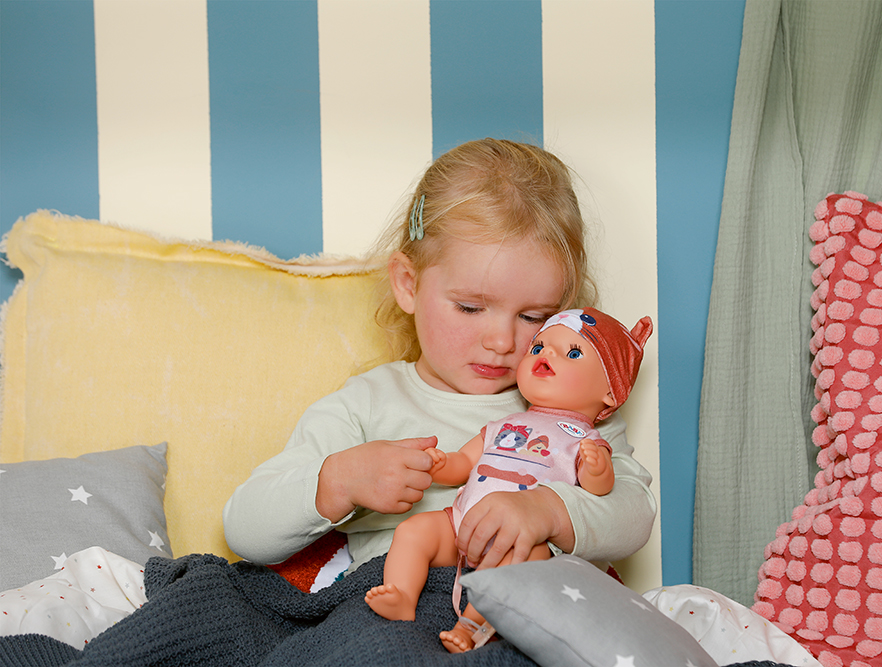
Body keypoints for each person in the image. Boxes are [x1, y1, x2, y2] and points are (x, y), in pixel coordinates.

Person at [223, 138, 656, 608]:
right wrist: (339, 481)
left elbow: (635, 514)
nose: (502, 341)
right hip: (402, 609)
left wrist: (548, 510)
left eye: (534, 317)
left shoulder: (573, 408)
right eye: (470, 307)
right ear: (409, 284)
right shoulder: (367, 405)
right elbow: (245, 528)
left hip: (537, 605)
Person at [365, 307, 653, 653]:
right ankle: (401, 594)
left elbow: (600, 491)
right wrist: (438, 464)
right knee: (413, 531)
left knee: (519, 568)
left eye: (573, 353)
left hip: (522, 540)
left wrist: (596, 470)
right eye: (539, 346)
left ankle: (470, 627)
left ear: (610, 393)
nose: (547, 353)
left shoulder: (585, 438)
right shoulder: (505, 423)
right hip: (462, 524)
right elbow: (464, 462)